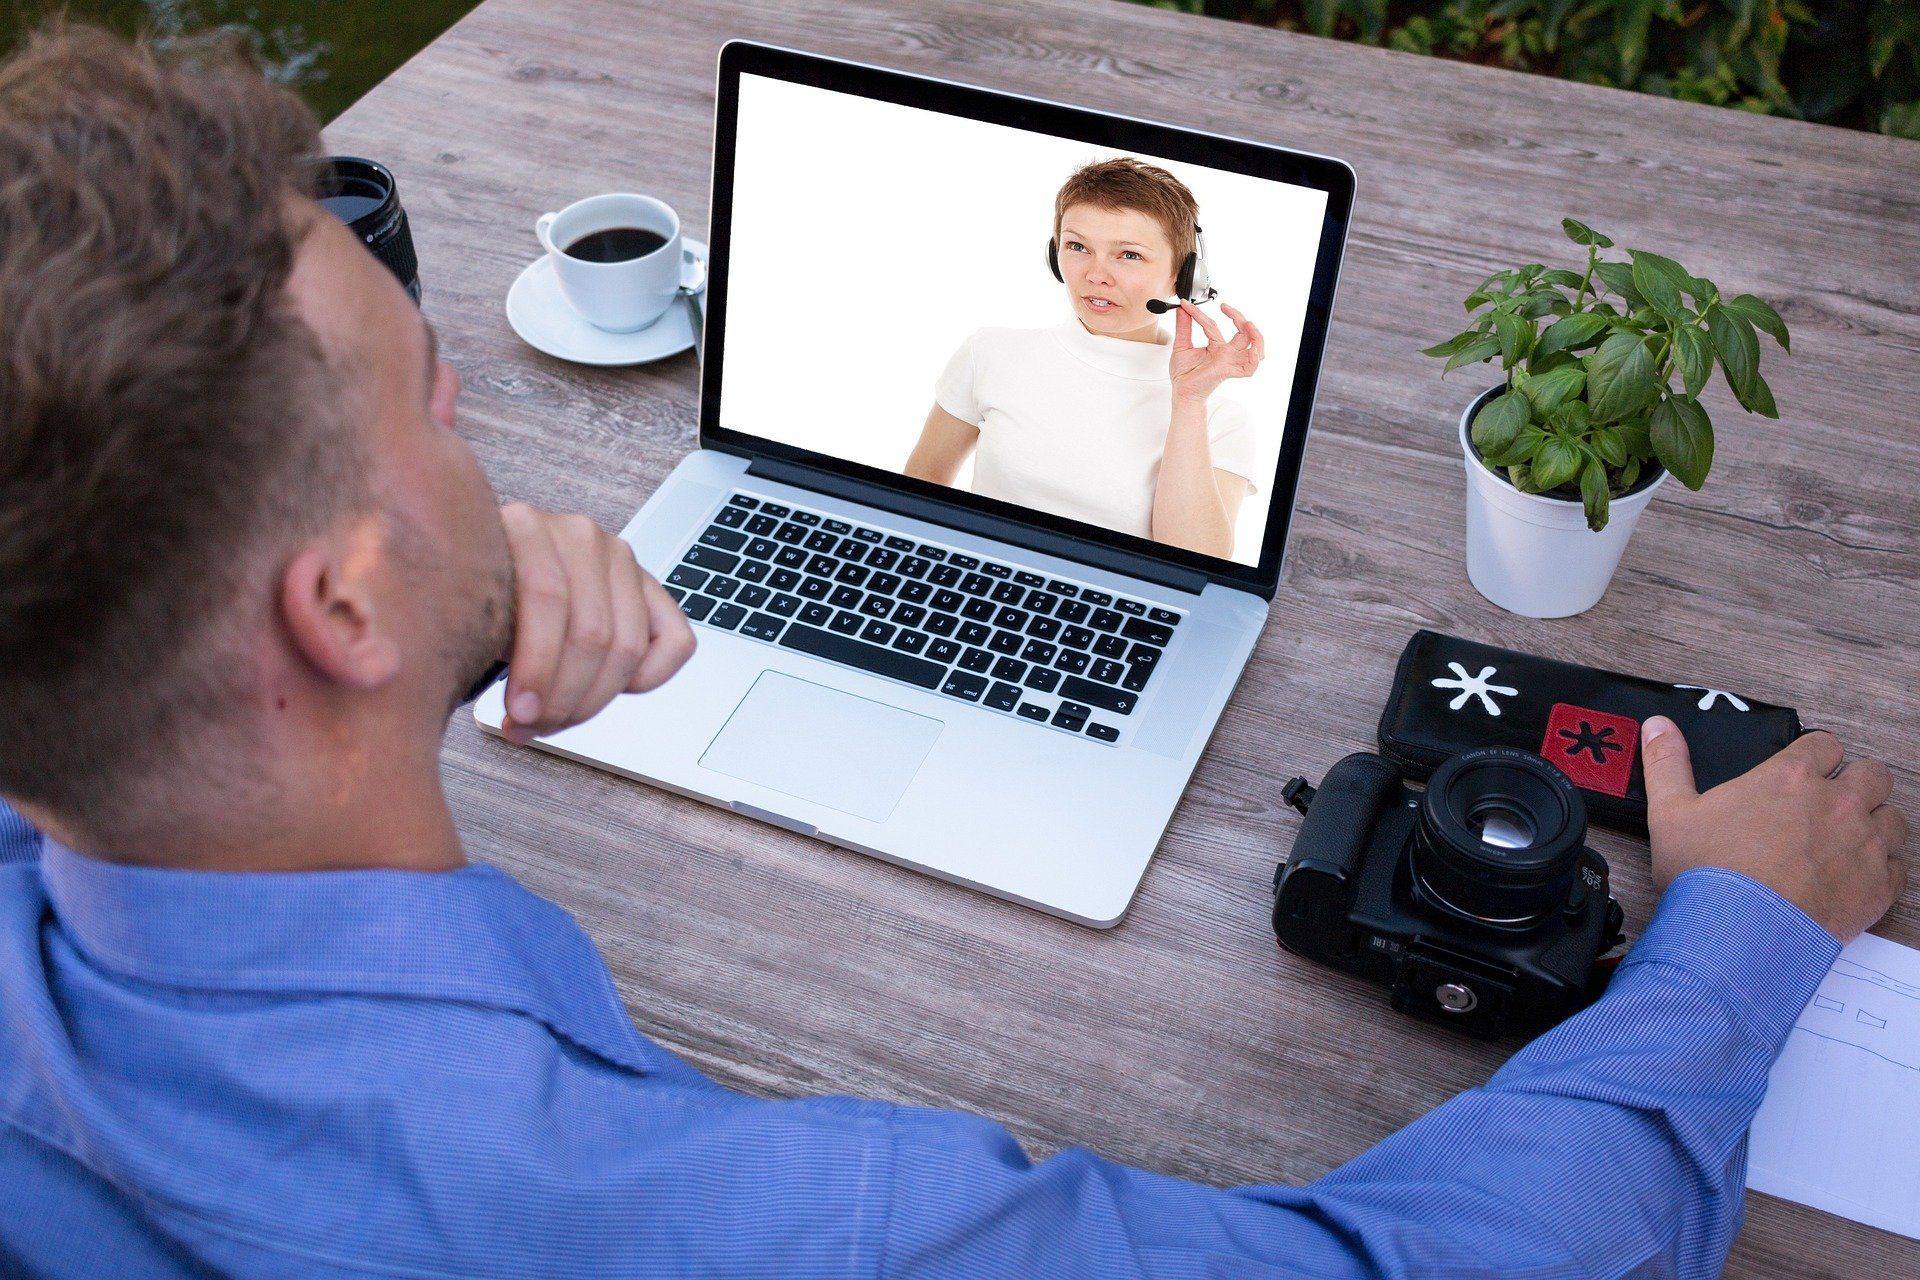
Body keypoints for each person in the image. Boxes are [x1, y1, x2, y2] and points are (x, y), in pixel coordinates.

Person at [0, 24, 1909, 1280]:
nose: (474, 444)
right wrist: (1741, 944)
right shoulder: (799, 1225)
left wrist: (445, 590)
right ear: (330, 609)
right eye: (434, 397)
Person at [903, 158, 1264, 560]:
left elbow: (1196, 563)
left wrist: (1189, 401)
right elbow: (922, 486)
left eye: (1128, 255)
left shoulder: (1220, 418)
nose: (1096, 274)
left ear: (1185, 276)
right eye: (1078, 247)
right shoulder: (990, 353)